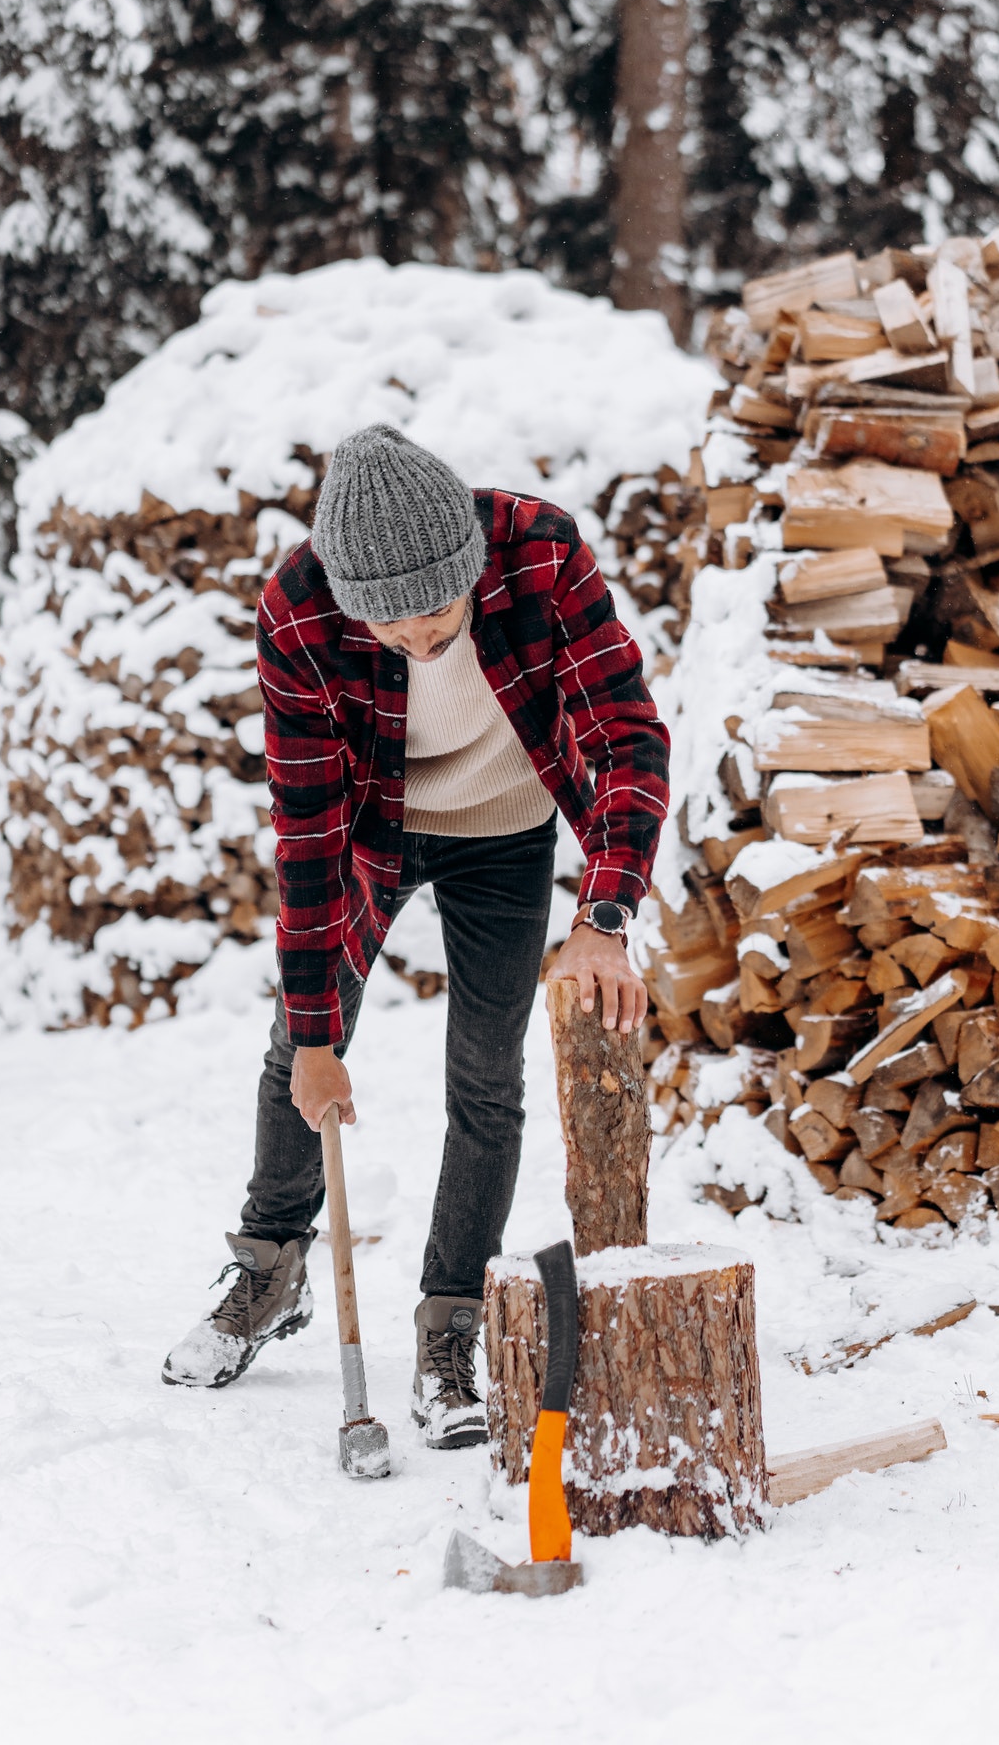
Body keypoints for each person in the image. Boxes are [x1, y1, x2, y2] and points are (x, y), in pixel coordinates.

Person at [162, 424, 669, 1447]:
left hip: (503, 825)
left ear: (469, 567)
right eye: (387, 625)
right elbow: (304, 828)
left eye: (435, 609)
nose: (418, 638)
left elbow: (625, 732)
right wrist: (315, 1040)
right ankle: (271, 1268)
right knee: (298, 1046)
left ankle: (449, 1331)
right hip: (368, 832)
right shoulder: (299, 611)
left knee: (485, 1073)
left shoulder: (539, 552)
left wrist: (604, 913)